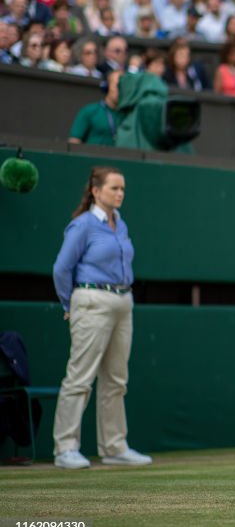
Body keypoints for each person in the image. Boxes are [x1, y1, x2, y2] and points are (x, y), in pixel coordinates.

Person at [51, 166, 151, 469]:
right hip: (91, 299)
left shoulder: (120, 224)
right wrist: (71, 304)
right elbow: (61, 269)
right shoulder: (82, 225)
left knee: (116, 380)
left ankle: (114, 447)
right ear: (96, 191)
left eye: (122, 189)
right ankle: (65, 448)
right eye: (113, 189)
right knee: (80, 377)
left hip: (123, 301)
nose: (119, 194)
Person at [68, 70, 121, 146]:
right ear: (107, 86)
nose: (120, 90)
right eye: (117, 86)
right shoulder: (90, 111)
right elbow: (73, 142)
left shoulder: (129, 116)